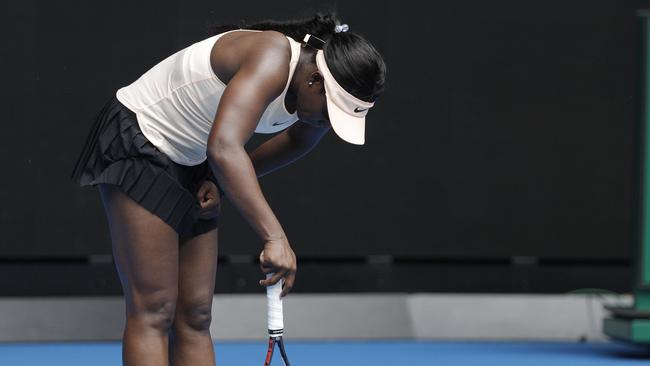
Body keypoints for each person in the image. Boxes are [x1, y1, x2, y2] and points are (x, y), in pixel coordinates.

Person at [69, 11, 387, 366]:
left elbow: (298, 140)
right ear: (315, 79)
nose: (326, 124)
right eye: (330, 113)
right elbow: (224, 147)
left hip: (199, 158)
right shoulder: (271, 57)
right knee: (155, 309)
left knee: (196, 315)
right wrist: (275, 238)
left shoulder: (313, 95)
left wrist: (218, 181)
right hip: (142, 139)